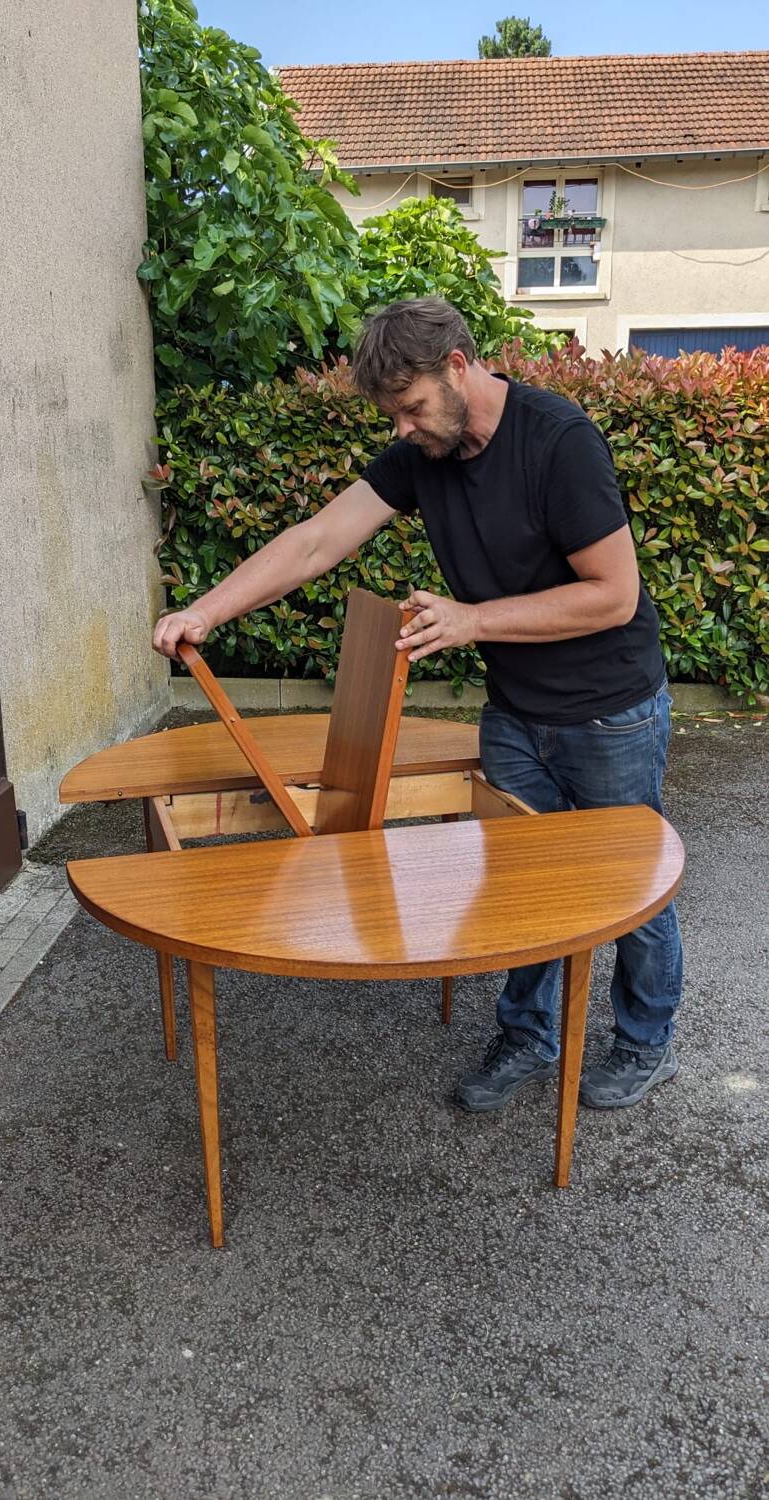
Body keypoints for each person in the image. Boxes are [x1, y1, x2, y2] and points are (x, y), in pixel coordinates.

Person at [153, 296, 683, 1113]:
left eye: (409, 406)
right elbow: (315, 541)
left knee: (628, 887)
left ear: (458, 366)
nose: (401, 428)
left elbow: (612, 596)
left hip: (609, 711)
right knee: (519, 887)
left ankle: (645, 1043)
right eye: (391, 414)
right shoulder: (423, 453)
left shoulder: (557, 441)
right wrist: (205, 611)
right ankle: (527, 1036)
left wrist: (471, 621)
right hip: (515, 710)